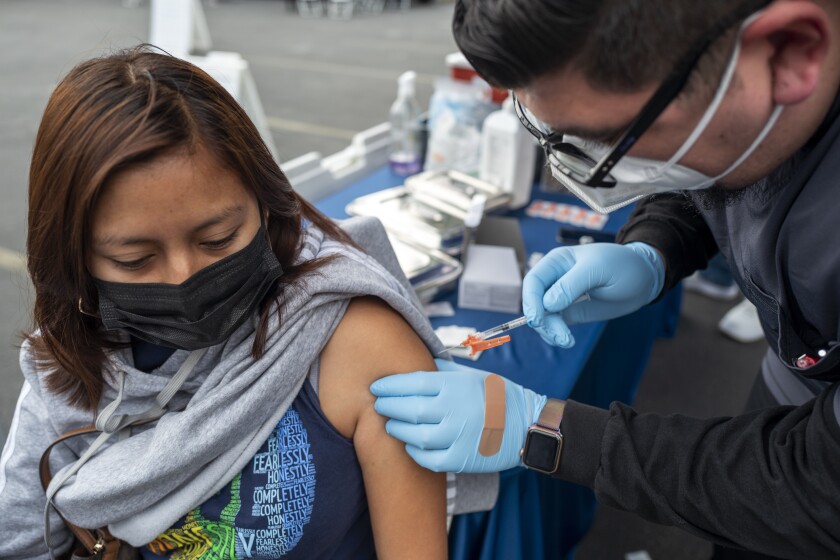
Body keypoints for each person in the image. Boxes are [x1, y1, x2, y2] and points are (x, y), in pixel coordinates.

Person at [371, 0, 840, 558]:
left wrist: (542, 430)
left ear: (790, 53)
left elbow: (816, 486)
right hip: (794, 376)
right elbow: (716, 159)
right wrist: (653, 248)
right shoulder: (736, 105)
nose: (584, 168)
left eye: (607, 141)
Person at [0, 47, 450, 559]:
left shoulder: (360, 344)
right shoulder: (67, 366)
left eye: (218, 239)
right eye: (134, 259)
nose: (184, 278)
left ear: (266, 203)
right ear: (73, 258)